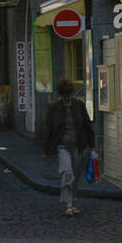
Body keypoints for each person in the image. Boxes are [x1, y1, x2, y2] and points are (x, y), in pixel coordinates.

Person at [43, 78, 95, 218]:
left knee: (75, 176)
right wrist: (46, 150)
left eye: (68, 95)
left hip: (78, 145)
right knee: (67, 173)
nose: (66, 98)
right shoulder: (54, 109)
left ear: (71, 93)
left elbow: (87, 125)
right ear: (60, 95)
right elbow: (48, 129)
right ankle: (68, 205)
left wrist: (92, 145)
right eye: (64, 96)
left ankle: (73, 201)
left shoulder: (79, 105)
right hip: (63, 146)